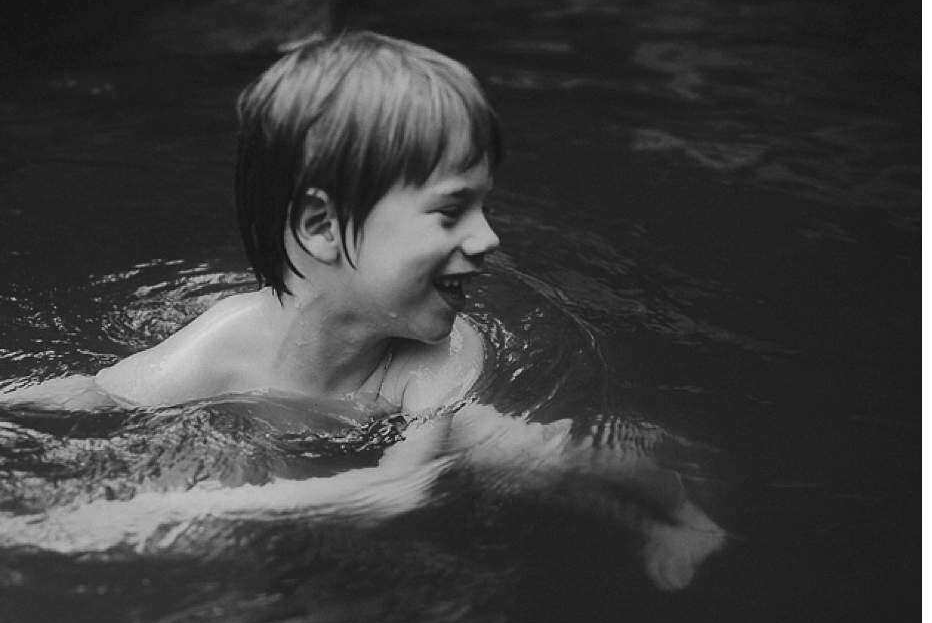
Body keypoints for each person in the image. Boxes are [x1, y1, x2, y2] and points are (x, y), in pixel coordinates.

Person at [44, 31, 723, 588]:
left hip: (417, 438)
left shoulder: (445, 356)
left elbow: (394, 492)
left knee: (528, 453)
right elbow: (98, 393)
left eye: (484, 208)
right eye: (453, 210)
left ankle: (679, 510)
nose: (489, 238)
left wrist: (157, 514)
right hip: (300, 433)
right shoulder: (227, 337)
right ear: (321, 225)